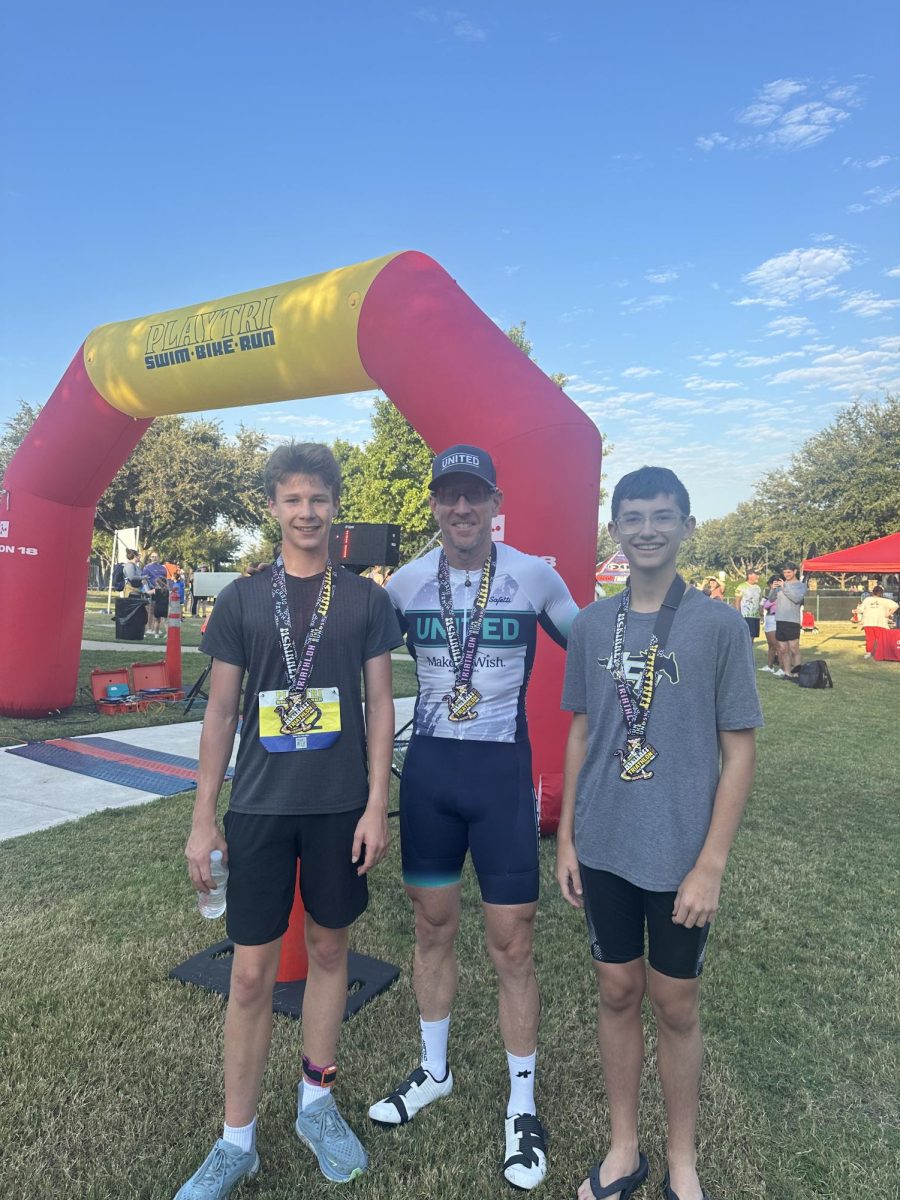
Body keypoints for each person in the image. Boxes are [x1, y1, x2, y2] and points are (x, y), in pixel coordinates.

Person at [176, 442, 402, 1198]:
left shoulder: (366, 601)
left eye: (320, 499)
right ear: (272, 507)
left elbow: (378, 708)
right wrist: (204, 819)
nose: (307, 512)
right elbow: (219, 712)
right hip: (262, 807)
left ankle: (316, 1104)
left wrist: (377, 803)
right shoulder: (243, 599)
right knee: (249, 974)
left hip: (339, 807)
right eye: (293, 499)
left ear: (336, 507)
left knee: (331, 955)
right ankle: (236, 1139)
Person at [368, 444, 578, 1190]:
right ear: (434, 504)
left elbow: (592, 650)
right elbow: (346, 656)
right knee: (432, 927)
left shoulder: (533, 576)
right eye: (449, 495)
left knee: (512, 943)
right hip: (427, 778)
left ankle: (522, 1105)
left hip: (498, 778)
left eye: (474, 495)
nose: (461, 508)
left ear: (494, 503)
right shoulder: (406, 583)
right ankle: (434, 1071)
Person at [557, 465, 762, 1200]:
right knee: (616, 992)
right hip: (606, 845)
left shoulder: (714, 624)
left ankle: (682, 1160)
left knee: (675, 1004)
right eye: (634, 516)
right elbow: (581, 732)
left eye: (663, 516)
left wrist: (711, 863)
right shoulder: (590, 624)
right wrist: (570, 841)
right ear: (616, 530)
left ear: (687, 527)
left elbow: (738, 750)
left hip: (679, 852)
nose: (648, 529)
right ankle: (623, 1148)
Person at [771, 563, 807, 677]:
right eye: (785, 572)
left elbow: (796, 598)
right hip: (780, 620)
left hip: (792, 620)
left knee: (793, 648)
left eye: (789, 572)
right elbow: (771, 599)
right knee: (783, 649)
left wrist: (784, 587)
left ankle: (796, 672)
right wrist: (772, 589)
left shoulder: (800, 586)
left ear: (795, 571)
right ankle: (787, 672)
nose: (786, 575)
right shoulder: (781, 584)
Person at [858, 585, 898, 658]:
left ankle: (869, 653)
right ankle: (881, 653)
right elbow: (896, 605)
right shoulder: (885, 600)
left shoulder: (867, 599)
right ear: (882, 593)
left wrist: (856, 612)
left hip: (868, 622)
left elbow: (860, 610)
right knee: (881, 640)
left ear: (873, 592)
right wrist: (889, 613)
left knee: (870, 639)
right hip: (880, 623)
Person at [758, 574, 782, 673]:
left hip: (774, 618)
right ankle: (769, 666)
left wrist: (773, 591)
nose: (772, 585)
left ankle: (782, 668)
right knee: (770, 645)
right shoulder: (769, 592)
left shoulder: (779, 592)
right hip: (768, 618)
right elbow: (762, 606)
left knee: (777, 645)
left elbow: (767, 604)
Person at [734, 570, 762, 640]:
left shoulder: (758, 588)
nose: (758, 577)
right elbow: (737, 601)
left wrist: (761, 613)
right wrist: (738, 615)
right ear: (749, 575)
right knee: (746, 638)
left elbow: (758, 601)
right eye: (756, 575)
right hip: (745, 616)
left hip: (755, 616)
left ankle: (750, 651)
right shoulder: (741, 586)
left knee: (752, 638)